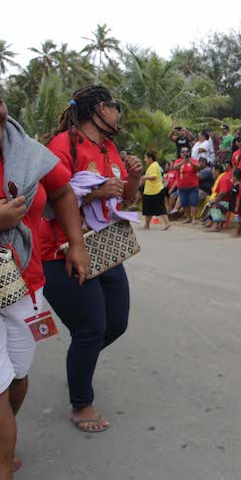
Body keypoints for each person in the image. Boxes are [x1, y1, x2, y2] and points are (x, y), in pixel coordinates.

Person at [0, 57, 88, 480]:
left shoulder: (26, 150)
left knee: (15, 376)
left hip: (24, 285)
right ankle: (0, 476)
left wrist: (77, 244)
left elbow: (62, 190)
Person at [42, 85, 143, 434]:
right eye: (116, 107)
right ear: (100, 108)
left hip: (106, 249)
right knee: (91, 329)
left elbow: (124, 200)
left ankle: (78, 365)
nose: (119, 113)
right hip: (62, 251)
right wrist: (96, 191)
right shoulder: (61, 146)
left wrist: (134, 177)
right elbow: (50, 199)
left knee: (116, 323)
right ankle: (80, 403)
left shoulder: (109, 147)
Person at [140, 150, 170, 230]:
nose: (145, 160)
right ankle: (147, 225)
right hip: (151, 190)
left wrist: (144, 177)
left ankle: (166, 223)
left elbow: (154, 176)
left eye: (146, 158)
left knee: (159, 208)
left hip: (155, 190)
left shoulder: (154, 166)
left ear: (150, 158)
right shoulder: (153, 165)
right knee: (149, 209)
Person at [173, 148, 200, 224]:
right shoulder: (178, 161)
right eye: (183, 152)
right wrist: (183, 162)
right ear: (180, 153)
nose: (185, 153)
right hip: (182, 186)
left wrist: (190, 162)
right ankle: (188, 217)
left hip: (193, 185)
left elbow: (198, 167)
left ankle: (194, 218)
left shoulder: (193, 160)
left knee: (193, 202)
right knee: (184, 203)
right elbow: (175, 168)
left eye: (186, 152)